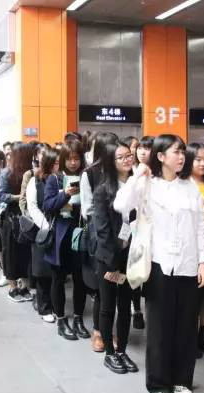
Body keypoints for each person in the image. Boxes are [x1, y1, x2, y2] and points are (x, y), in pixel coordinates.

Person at [114, 134, 204, 393]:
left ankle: (182, 379)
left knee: (185, 327)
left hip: (188, 265)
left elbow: (200, 228)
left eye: (182, 152)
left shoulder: (190, 187)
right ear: (160, 156)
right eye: (176, 152)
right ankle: (158, 382)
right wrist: (137, 175)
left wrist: (203, 262)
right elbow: (121, 205)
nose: (182, 156)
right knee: (159, 327)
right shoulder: (148, 184)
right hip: (159, 265)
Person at [93, 135, 139, 375]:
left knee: (125, 304)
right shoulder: (103, 190)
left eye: (128, 155)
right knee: (108, 306)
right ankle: (110, 353)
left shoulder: (137, 185)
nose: (126, 160)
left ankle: (122, 351)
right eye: (120, 157)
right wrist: (112, 263)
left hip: (130, 255)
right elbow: (101, 230)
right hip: (109, 257)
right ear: (111, 162)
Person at [43, 138, 90, 341]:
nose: (73, 163)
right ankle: (61, 319)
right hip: (60, 236)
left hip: (80, 233)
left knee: (80, 279)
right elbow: (47, 205)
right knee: (58, 279)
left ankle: (78, 318)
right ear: (63, 159)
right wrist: (66, 195)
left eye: (76, 159)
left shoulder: (86, 177)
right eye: (69, 159)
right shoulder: (55, 179)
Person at [180, 142, 204, 358]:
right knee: (192, 295)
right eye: (198, 159)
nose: (203, 164)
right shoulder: (182, 184)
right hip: (190, 246)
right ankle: (190, 338)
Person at [80, 133, 111, 352]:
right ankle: (99, 332)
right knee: (101, 287)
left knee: (116, 285)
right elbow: (87, 209)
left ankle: (109, 330)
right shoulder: (90, 173)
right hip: (99, 235)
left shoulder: (124, 171)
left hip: (121, 237)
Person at [26, 147, 58, 322]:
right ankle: (44, 307)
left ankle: (56, 305)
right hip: (42, 231)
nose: (56, 166)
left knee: (56, 271)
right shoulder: (35, 181)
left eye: (58, 162)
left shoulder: (61, 179)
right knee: (42, 270)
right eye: (53, 163)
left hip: (58, 228)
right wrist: (46, 226)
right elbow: (32, 206)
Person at [0, 142, 34, 302]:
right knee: (11, 254)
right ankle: (12, 288)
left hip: (26, 217)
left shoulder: (31, 173)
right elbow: (1, 195)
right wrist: (20, 197)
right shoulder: (7, 173)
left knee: (24, 253)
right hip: (11, 218)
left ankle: (24, 286)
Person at [129, 135, 154, 331]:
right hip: (134, 229)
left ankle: (151, 311)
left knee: (151, 272)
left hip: (154, 230)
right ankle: (136, 310)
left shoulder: (159, 174)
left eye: (147, 148)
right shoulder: (132, 172)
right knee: (136, 269)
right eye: (140, 148)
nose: (142, 152)